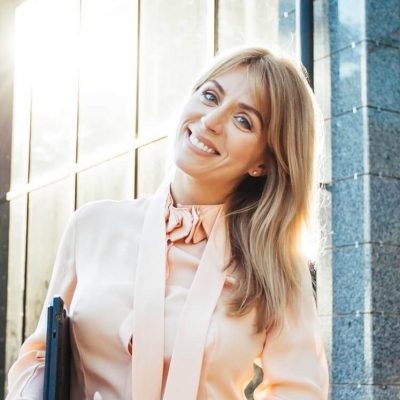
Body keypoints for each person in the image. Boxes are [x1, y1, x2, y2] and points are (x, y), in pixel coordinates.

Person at [7, 46, 329, 399]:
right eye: (210, 96)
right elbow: (36, 358)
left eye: (244, 121)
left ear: (263, 163)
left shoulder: (278, 266)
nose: (210, 121)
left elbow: (299, 391)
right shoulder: (91, 226)